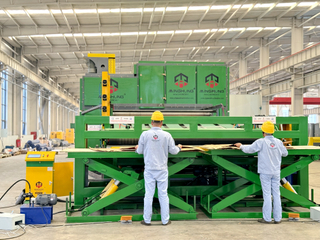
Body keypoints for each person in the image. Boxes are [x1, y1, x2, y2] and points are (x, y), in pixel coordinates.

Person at [234, 121, 288, 224]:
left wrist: (241, 146)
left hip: (265, 172)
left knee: (267, 194)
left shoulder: (261, 142)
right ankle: (278, 218)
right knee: (276, 194)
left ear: (263, 132)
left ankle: (267, 218)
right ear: (272, 131)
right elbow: (285, 153)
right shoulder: (278, 142)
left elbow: (249, 149)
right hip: (276, 172)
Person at [135, 111, 182, 226]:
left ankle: (147, 220)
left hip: (150, 169)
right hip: (162, 169)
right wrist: (179, 147)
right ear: (161, 122)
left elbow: (139, 151)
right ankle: (165, 220)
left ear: (151, 122)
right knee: (163, 194)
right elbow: (173, 151)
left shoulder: (144, 134)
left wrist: (137, 148)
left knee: (149, 194)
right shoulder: (167, 135)